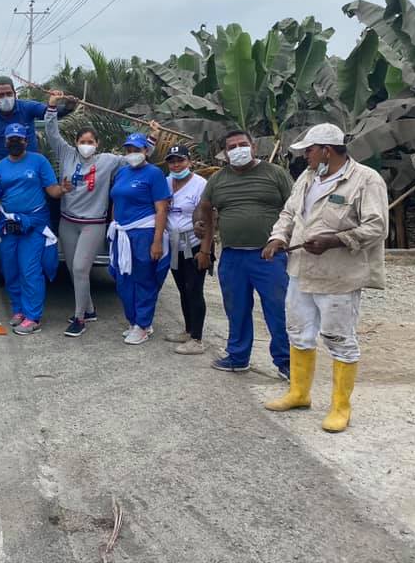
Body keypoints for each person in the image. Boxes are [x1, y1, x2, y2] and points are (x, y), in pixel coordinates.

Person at [262, 123, 388, 433]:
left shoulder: (366, 180)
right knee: (298, 331)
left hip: (338, 276)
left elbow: (376, 227)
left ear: (327, 151)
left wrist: (334, 240)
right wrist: (278, 237)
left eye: (310, 150)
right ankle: (299, 393)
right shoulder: (308, 178)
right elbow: (289, 214)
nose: (305, 156)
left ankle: (340, 408)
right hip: (300, 271)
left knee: (338, 338)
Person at [44, 89, 144, 336]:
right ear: (76, 143)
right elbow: (52, 133)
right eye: (82, 141)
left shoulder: (107, 161)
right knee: (72, 269)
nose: (86, 145)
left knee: (80, 268)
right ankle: (88, 309)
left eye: (90, 142)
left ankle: (79, 319)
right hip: (68, 222)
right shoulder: (67, 154)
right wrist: (52, 106)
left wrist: (150, 138)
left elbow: (135, 158)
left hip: (93, 224)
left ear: (97, 144)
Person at [197, 130, 294, 377]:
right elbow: (205, 210)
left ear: (253, 147)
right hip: (232, 257)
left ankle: (286, 362)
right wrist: (204, 243)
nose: (237, 149)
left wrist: (288, 242)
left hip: (269, 256)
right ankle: (238, 357)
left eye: (242, 144)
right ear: (225, 153)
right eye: (231, 147)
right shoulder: (218, 180)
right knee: (236, 309)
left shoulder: (275, 173)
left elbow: (295, 208)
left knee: (278, 309)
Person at [0, 123, 63, 335]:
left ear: (26, 141)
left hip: (33, 224)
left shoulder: (39, 161)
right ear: (5, 142)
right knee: (10, 270)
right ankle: (19, 310)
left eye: (19, 139)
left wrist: (64, 189)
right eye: (11, 139)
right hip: (7, 225)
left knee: (29, 270)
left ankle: (33, 317)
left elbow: (52, 191)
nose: (15, 142)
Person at [108, 132, 171, 345]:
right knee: (122, 279)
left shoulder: (154, 174)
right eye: (129, 150)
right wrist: (114, 227)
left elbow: (161, 209)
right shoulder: (122, 173)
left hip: (143, 233)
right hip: (122, 233)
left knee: (144, 280)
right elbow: (116, 201)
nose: (132, 153)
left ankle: (143, 325)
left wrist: (157, 240)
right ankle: (134, 320)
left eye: (137, 150)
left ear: (146, 151)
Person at [163, 145, 209, 355]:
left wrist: (205, 250)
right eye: (172, 162)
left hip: (194, 243)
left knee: (194, 289)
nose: (176, 165)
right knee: (182, 288)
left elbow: (209, 217)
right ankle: (188, 330)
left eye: (180, 160)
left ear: (189, 161)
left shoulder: (200, 185)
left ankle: (197, 339)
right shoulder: (166, 182)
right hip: (174, 245)